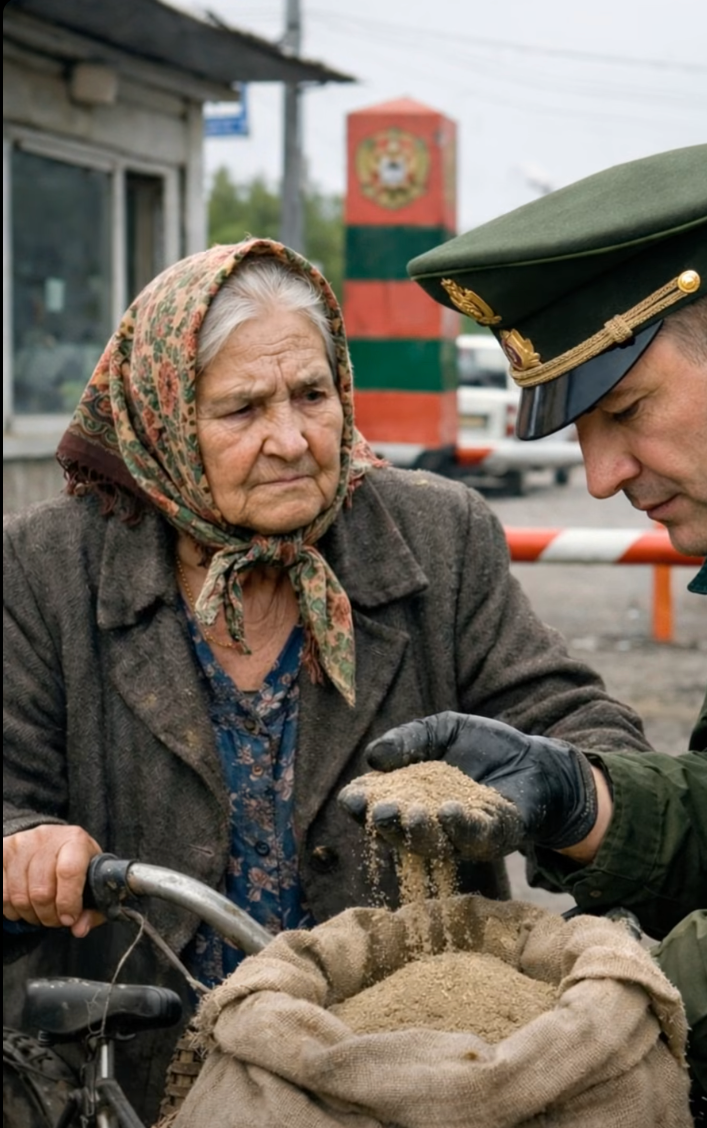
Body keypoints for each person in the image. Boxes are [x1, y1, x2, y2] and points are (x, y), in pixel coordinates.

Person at [340, 132, 707, 1127]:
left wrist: (590, 1038)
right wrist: (586, 802)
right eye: (582, 432)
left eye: (625, 409)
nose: (602, 474)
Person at [2, 238, 651, 1123]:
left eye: (312, 395)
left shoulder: (436, 535)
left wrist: (568, 787)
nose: (293, 439)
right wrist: (28, 843)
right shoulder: (45, 567)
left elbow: (581, 725)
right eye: (242, 409)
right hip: (143, 1067)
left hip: (398, 1071)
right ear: (162, 420)